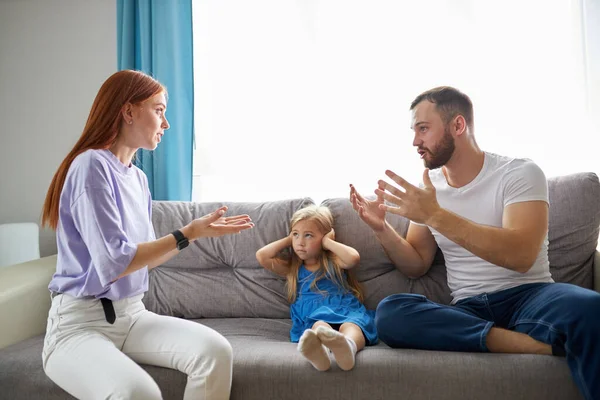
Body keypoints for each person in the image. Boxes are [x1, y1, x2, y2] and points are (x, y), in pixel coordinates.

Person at [350, 86, 599, 399]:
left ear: (458, 126)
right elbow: (416, 264)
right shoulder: (430, 190)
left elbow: (521, 255)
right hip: (468, 309)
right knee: (390, 313)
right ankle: (531, 346)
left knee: (591, 308)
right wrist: (381, 228)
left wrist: (436, 215)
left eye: (423, 129)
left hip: (531, 296)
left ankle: (510, 339)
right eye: (414, 131)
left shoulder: (519, 173)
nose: (415, 142)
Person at [40, 70, 254, 400]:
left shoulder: (138, 179)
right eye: (159, 110)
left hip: (132, 314)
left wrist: (195, 235)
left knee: (215, 352)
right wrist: (186, 232)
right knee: (137, 393)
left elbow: (143, 260)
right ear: (128, 111)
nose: (165, 124)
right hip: (78, 325)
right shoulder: (90, 166)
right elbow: (115, 263)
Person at [255, 205, 377, 371]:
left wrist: (328, 242)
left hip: (344, 307)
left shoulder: (333, 262)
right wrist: (289, 239)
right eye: (296, 234)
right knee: (319, 325)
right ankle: (321, 353)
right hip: (314, 313)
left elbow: (353, 258)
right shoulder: (293, 269)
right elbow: (262, 256)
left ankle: (348, 347)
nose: (300, 242)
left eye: (308, 235)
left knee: (352, 325)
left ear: (325, 236)